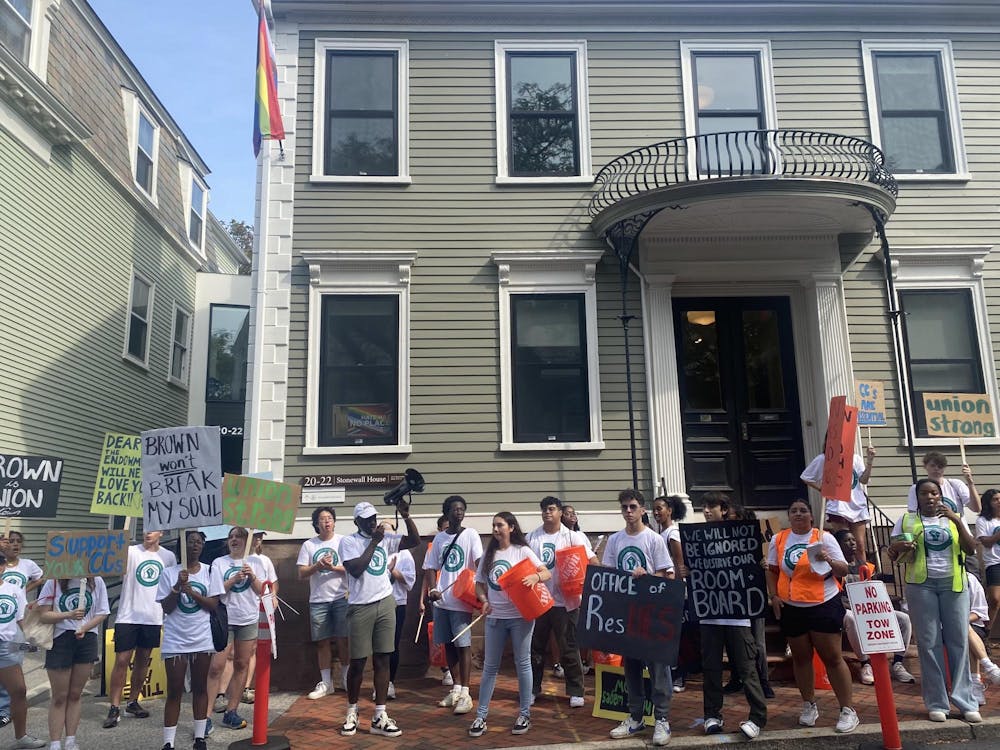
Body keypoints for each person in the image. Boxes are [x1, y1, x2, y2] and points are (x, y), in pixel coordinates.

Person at [891, 478, 980, 723]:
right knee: (928, 644)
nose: (930, 497)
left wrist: (956, 520)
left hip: (954, 585)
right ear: (916, 498)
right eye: (924, 494)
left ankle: (966, 701)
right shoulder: (906, 520)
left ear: (940, 496)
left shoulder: (954, 518)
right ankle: (937, 703)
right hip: (921, 587)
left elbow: (971, 549)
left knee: (958, 642)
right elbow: (893, 552)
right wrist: (900, 546)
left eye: (934, 493)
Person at [767, 498, 859, 733]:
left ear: (811, 515)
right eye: (793, 510)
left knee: (832, 658)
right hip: (793, 607)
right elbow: (773, 569)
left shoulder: (823, 538)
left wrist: (827, 559)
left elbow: (843, 569)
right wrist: (774, 596)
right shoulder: (779, 539)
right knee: (800, 658)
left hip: (823, 604)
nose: (798, 514)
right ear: (789, 516)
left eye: (803, 510)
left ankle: (848, 710)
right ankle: (809, 705)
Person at [339, 499, 420, 738]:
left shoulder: (386, 539)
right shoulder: (349, 542)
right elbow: (355, 568)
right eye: (367, 519)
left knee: (384, 658)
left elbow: (414, 542)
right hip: (360, 605)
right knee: (358, 662)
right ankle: (352, 711)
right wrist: (374, 542)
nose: (372, 522)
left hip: (386, 602)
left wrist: (406, 516)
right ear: (357, 522)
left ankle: (379, 715)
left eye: (374, 518)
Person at [693, 491, 768, 740]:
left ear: (723, 509)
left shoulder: (739, 535)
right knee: (711, 668)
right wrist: (686, 569)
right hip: (710, 614)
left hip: (737, 615)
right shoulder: (697, 539)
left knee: (747, 667)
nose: (705, 510)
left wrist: (760, 566)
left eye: (710, 506)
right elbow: (694, 570)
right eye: (703, 506)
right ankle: (712, 715)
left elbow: (752, 563)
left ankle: (757, 716)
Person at [467, 512, 549, 738]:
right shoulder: (489, 554)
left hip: (521, 616)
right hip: (495, 618)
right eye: (493, 525)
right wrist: (483, 602)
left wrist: (535, 578)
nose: (495, 529)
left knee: (522, 664)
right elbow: (479, 585)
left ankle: (524, 714)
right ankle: (481, 716)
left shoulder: (522, 551)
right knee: (489, 667)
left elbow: (546, 572)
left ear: (511, 527)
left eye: (500, 525)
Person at [604, 489, 673, 747]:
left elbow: (668, 576)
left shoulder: (654, 539)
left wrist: (647, 576)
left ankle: (662, 718)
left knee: (658, 667)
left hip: (652, 612)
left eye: (633, 507)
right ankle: (636, 716)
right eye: (624, 507)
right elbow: (610, 574)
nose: (629, 512)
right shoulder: (614, 540)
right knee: (631, 666)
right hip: (626, 613)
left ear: (643, 510)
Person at [527, 496, 597, 709]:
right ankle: (533, 688)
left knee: (569, 647)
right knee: (536, 647)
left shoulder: (573, 537)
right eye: (544, 509)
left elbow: (590, 560)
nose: (547, 513)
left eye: (551, 509)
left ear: (559, 512)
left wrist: (598, 579)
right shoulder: (532, 537)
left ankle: (576, 691)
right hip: (539, 600)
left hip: (567, 602)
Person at [156, 531, 223, 750]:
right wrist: (177, 587)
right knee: (174, 689)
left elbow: (212, 605)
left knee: (200, 687)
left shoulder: (210, 571)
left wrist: (192, 592)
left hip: (201, 639)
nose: (195, 545)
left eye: (199, 542)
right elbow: (166, 607)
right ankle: (168, 741)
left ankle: (199, 737)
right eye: (191, 542)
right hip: (176, 639)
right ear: (182, 545)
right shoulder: (168, 573)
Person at [702, 494, 773, 699]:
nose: (732, 521)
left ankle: (763, 681)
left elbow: (763, 562)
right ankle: (736, 678)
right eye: (730, 517)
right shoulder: (718, 537)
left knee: (757, 642)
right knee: (734, 642)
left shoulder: (752, 539)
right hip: (728, 597)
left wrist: (763, 567)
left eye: (736, 517)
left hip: (751, 594)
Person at [104, 530, 176, 729]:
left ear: (161, 533)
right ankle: (114, 706)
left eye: (151, 530)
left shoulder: (168, 556)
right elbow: (112, 563)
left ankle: (133, 702)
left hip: (153, 615)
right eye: (144, 530)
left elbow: (170, 585)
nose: (146, 533)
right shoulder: (130, 551)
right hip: (128, 615)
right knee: (122, 660)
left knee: (143, 660)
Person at [422, 496, 482, 715]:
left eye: (462, 509)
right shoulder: (439, 539)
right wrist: (432, 590)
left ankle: (466, 692)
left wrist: (481, 590)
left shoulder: (471, 534)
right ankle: (456, 688)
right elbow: (429, 566)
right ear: (446, 512)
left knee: (463, 645)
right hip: (442, 601)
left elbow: (479, 563)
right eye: (454, 509)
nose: (459, 513)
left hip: (461, 599)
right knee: (448, 644)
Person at [832, 529, 915, 685]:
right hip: (845, 608)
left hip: (868, 609)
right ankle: (865, 664)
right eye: (847, 541)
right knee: (851, 618)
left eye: (853, 540)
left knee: (903, 619)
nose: (852, 543)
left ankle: (897, 663)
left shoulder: (865, 565)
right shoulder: (836, 567)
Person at [36, 574, 107, 750]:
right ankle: (55, 742)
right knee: (59, 695)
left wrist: (84, 627)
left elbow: (103, 612)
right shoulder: (53, 581)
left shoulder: (96, 580)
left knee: (76, 693)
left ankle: (70, 740)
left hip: (87, 637)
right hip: (60, 638)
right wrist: (68, 614)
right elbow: (43, 615)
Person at [207, 527, 266, 731]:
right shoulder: (219, 563)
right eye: (230, 537)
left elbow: (262, 592)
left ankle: (232, 711)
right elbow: (215, 591)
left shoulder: (257, 562)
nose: (233, 540)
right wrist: (233, 580)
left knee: (242, 664)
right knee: (216, 666)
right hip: (225, 619)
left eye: (238, 537)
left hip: (248, 619)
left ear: (247, 540)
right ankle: (205, 717)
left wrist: (252, 578)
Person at [297, 506, 349, 700]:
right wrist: (317, 566)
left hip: (341, 597)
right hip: (318, 599)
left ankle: (346, 679)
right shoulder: (309, 545)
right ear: (316, 524)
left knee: (345, 639)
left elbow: (352, 568)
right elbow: (301, 573)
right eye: (322, 519)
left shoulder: (344, 542)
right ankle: (326, 682)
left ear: (334, 522)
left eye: (329, 518)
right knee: (322, 641)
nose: (326, 521)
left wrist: (333, 567)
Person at [801, 446, 875, 565]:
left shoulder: (855, 458)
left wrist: (870, 461)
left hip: (857, 505)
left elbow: (864, 480)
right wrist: (822, 489)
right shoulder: (823, 459)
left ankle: (862, 577)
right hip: (837, 507)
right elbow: (806, 477)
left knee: (859, 545)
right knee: (844, 544)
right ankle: (845, 576)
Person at [0, 532, 43, 728]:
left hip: (13, 624)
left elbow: (41, 578)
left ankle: (6, 709)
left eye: (18, 542)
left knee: (13, 671)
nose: (14, 545)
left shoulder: (27, 566)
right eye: (10, 541)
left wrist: (24, 592)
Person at [905, 451, 981, 515]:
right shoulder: (916, 488)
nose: (936, 469)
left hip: (957, 530)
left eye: (940, 466)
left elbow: (976, 509)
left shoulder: (956, 485)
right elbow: (913, 513)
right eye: (932, 465)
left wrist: (970, 483)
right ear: (925, 466)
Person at [966, 572, 1000, 705]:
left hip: (971, 626)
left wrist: (962, 620)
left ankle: (976, 683)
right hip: (945, 628)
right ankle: (990, 669)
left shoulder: (970, 579)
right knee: (964, 629)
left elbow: (980, 612)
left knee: (965, 629)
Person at [387, 544, 416, 700]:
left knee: (392, 644)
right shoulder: (374, 549)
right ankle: (380, 684)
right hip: (376, 603)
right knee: (379, 646)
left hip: (397, 603)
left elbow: (410, 582)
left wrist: (393, 571)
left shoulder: (404, 553)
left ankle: (390, 682)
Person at [975, 488, 1000, 625]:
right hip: (994, 563)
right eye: (995, 499)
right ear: (988, 503)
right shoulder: (983, 521)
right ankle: (986, 633)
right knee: (994, 600)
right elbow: (986, 543)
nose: (999, 502)